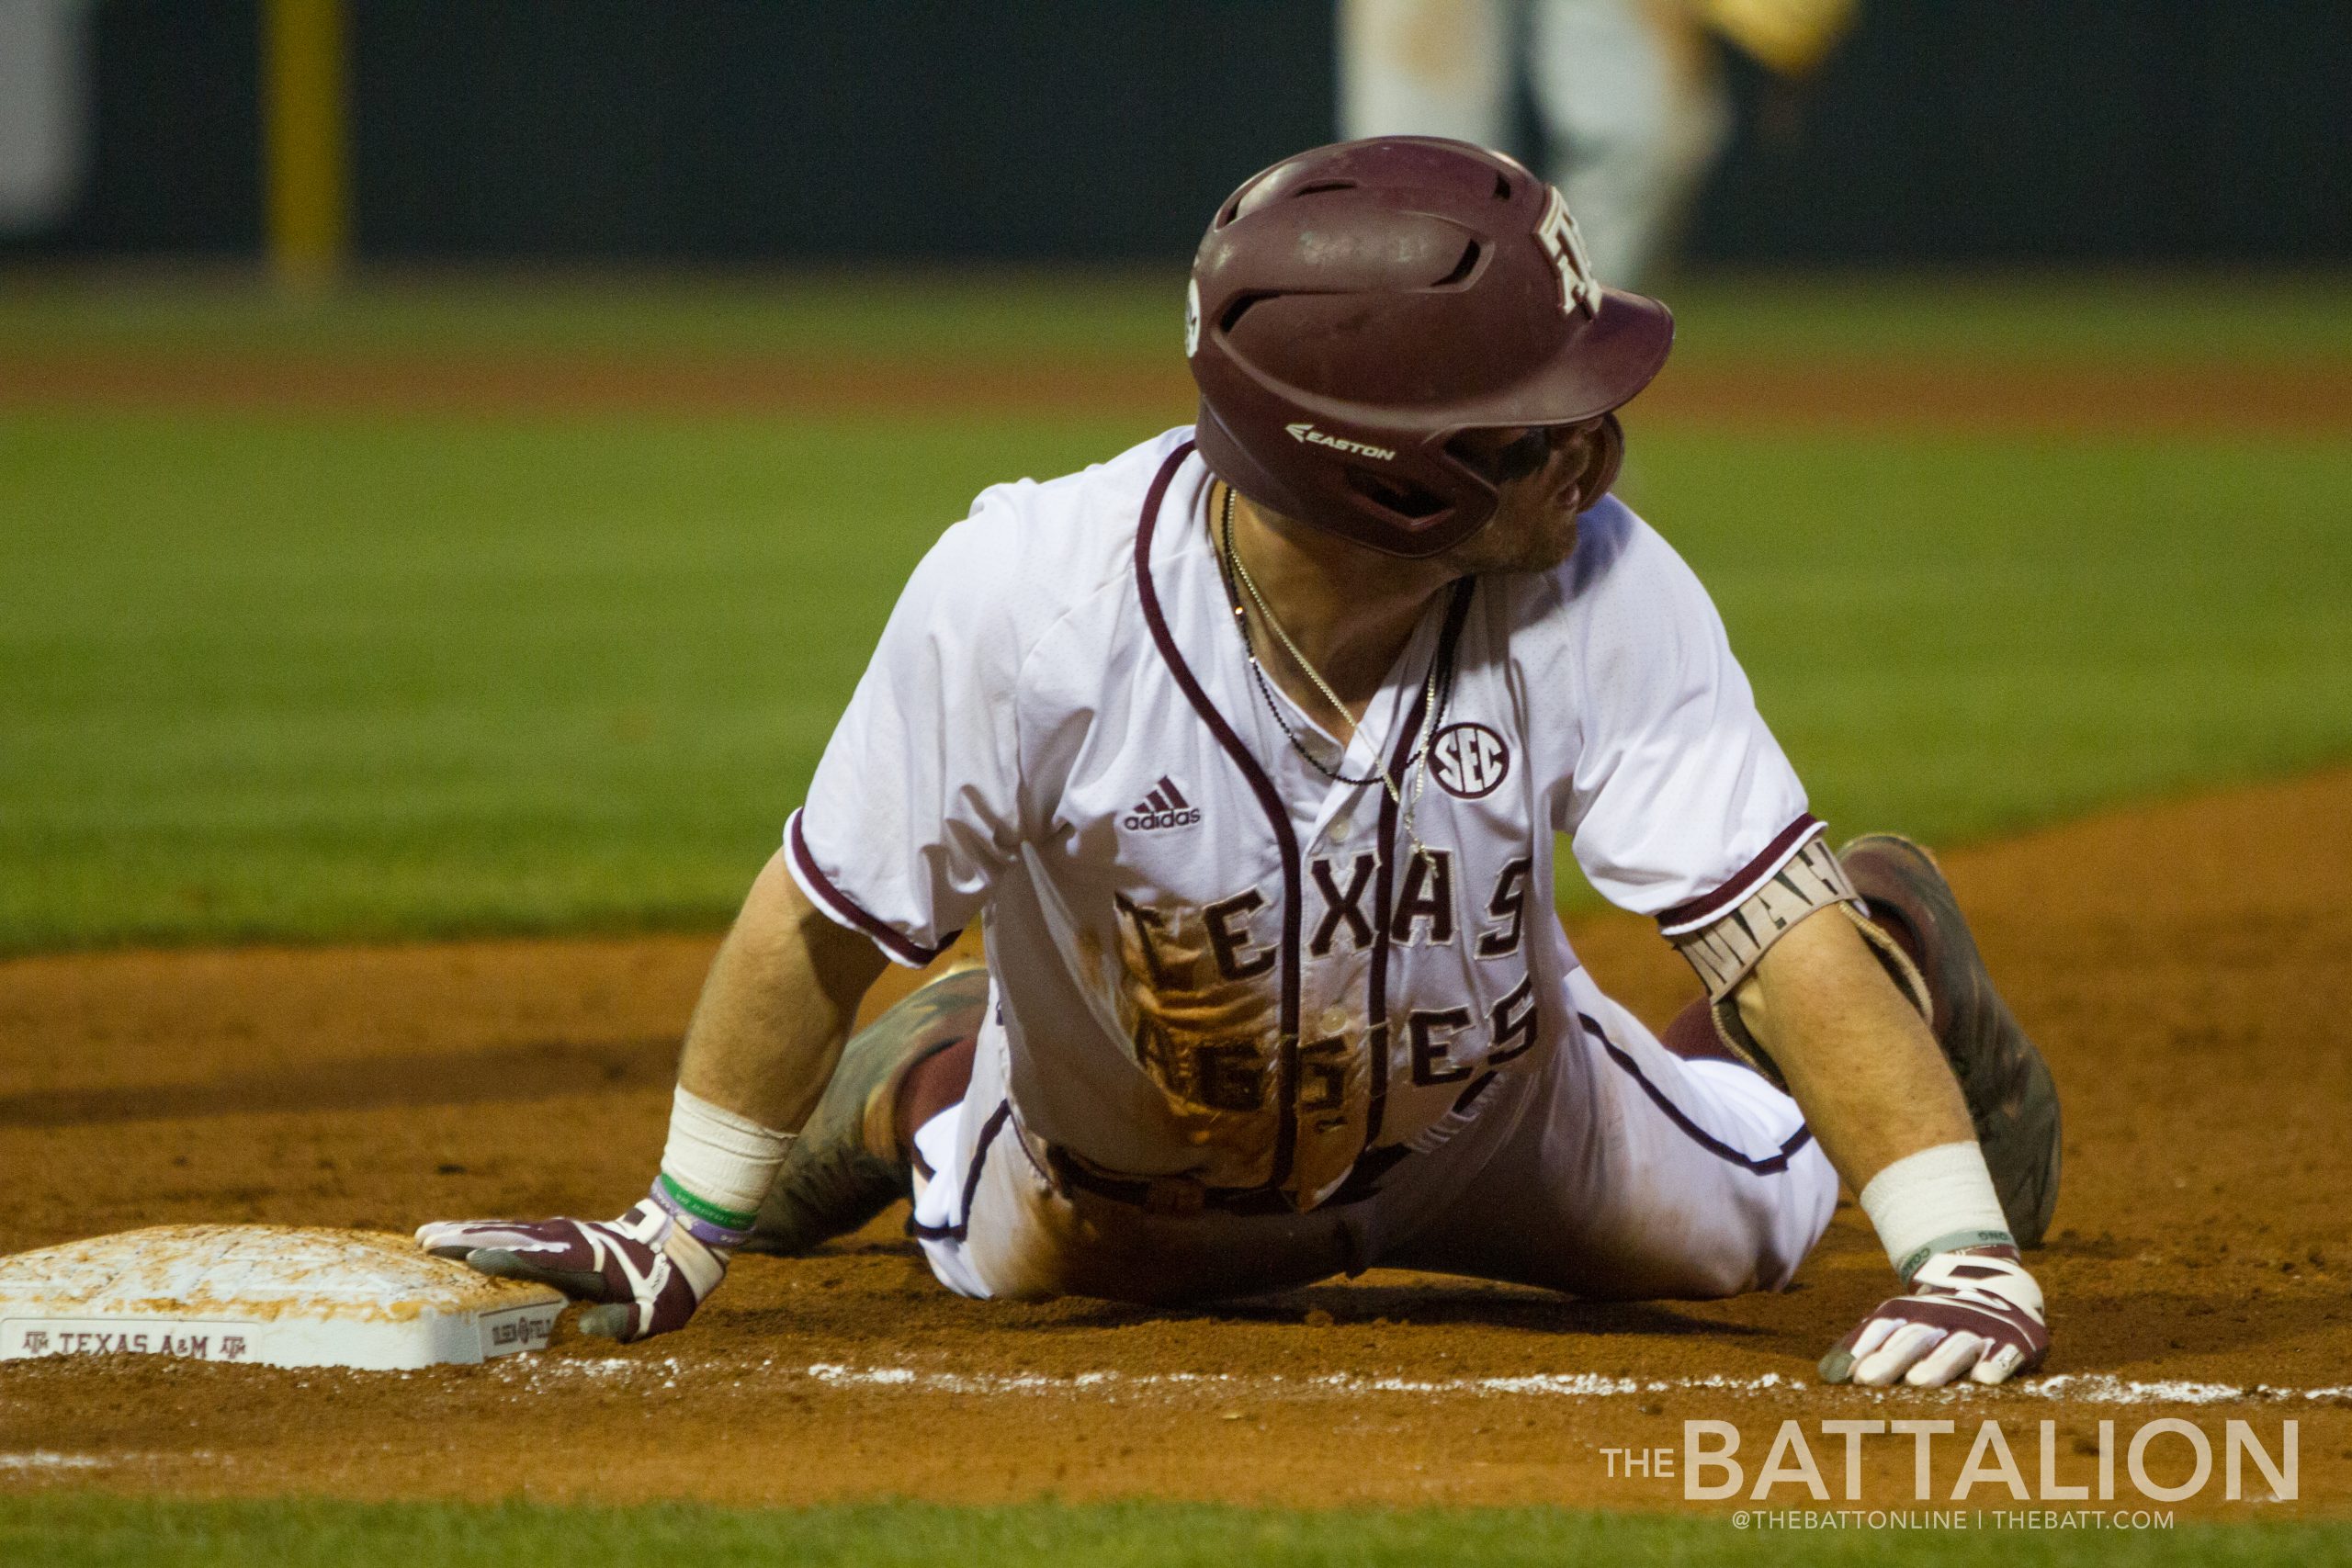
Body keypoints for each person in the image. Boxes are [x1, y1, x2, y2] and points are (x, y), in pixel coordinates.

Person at [419, 137, 2059, 1390]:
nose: (1600, 442)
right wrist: (679, 1231)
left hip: (1501, 1122)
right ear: (1386, 476)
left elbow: (1763, 929)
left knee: (1763, 1223)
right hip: (1110, 1194)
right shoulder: (1030, 602)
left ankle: (1899, 923)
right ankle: (947, 1073)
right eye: (1534, 420)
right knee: (981, 1245)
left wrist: (1959, 1248)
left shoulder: (1603, 579)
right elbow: (821, 916)